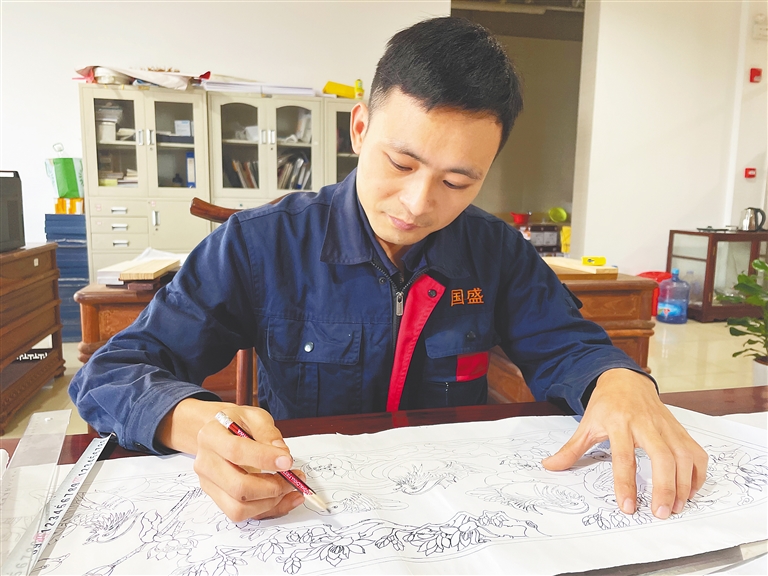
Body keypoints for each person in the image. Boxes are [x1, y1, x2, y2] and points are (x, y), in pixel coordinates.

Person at [70, 16, 707, 524]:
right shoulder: (262, 244)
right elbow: (112, 371)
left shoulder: (494, 250)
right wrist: (195, 425)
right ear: (360, 127)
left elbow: (569, 346)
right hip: (301, 512)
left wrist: (618, 380)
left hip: (450, 509)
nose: (418, 203)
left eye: (458, 182)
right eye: (400, 164)